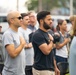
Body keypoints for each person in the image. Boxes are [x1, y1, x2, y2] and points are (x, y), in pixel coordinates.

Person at [32, 11, 60, 75]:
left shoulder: (49, 33)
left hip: (50, 68)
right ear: (41, 21)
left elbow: (51, 53)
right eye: (49, 19)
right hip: (41, 70)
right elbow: (46, 51)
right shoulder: (38, 34)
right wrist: (52, 41)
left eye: (51, 19)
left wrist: (55, 67)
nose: (51, 21)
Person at [2, 11, 26, 75]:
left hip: (20, 72)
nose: (21, 20)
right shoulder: (8, 34)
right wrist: (22, 44)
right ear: (12, 20)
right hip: (11, 73)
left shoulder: (19, 33)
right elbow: (13, 54)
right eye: (19, 18)